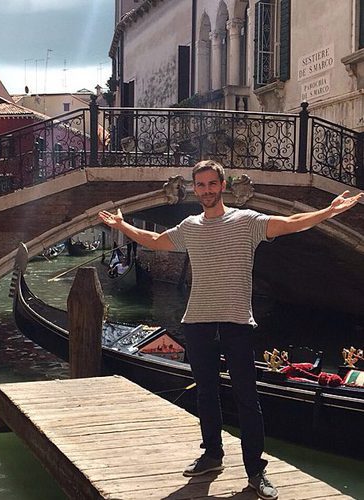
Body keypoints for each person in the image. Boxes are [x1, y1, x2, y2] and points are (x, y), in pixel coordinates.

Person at [98, 160, 363, 500]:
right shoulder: (190, 226)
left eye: (211, 184)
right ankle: (212, 455)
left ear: (222, 185)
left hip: (237, 320)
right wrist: (124, 225)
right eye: (201, 186)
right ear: (196, 189)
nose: (206, 190)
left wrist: (327, 211)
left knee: (247, 398)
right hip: (197, 321)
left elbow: (291, 223)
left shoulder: (247, 221)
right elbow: (155, 240)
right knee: (206, 393)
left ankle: (256, 472)